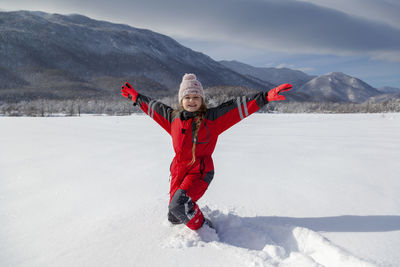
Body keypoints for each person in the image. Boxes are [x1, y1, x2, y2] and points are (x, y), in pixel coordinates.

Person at [121, 73, 292, 230]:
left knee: (179, 206)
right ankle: (190, 212)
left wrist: (265, 97)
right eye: (187, 97)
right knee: (174, 216)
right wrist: (136, 97)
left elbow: (238, 107)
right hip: (179, 170)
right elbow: (154, 107)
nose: (191, 101)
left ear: (202, 99)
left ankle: (205, 229)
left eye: (196, 97)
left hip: (200, 171)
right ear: (181, 100)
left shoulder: (212, 119)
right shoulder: (173, 118)